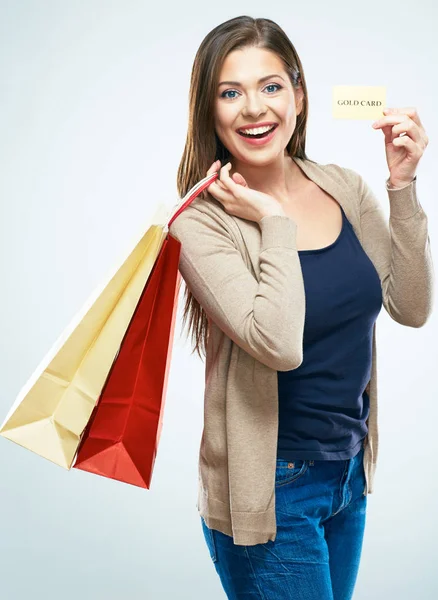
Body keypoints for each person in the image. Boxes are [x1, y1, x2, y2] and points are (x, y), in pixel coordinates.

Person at [168, 15, 434, 600]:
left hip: (347, 475)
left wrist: (402, 187)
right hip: (270, 491)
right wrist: (274, 222)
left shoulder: (343, 186)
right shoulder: (199, 223)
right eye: (229, 92)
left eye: (270, 87)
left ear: (299, 95)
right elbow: (279, 343)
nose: (252, 108)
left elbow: (412, 307)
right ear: (208, 110)